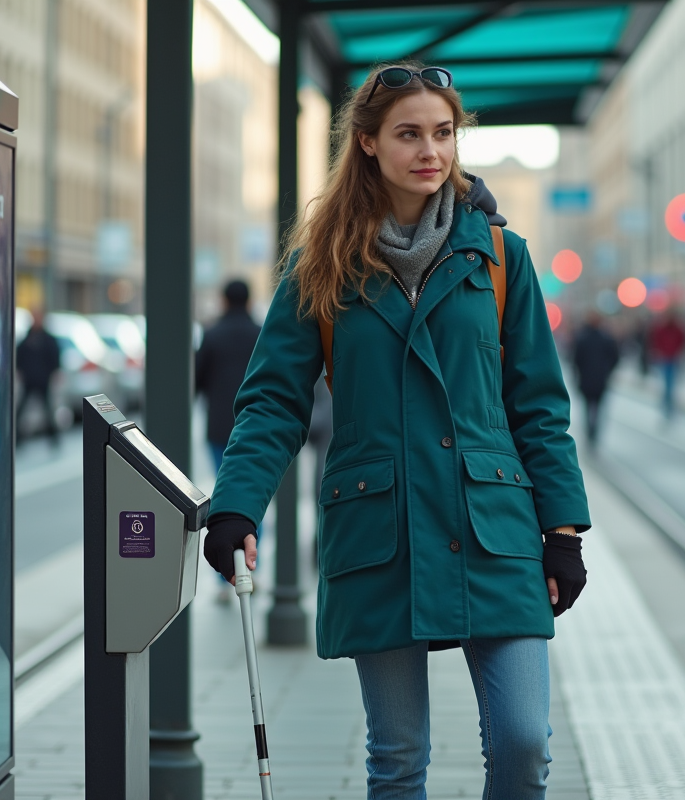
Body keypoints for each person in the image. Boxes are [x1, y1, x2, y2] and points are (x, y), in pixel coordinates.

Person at [201, 63, 589, 798]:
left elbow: (539, 402)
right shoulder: (319, 265)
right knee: (399, 756)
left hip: (495, 526)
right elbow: (274, 400)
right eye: (409, 133)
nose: (430, 151)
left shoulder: (502, 256)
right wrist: (237, 504)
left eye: (443, 133)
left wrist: (563, 533)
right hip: (379, 529)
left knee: (523, 741)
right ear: (370, 144)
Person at [195, 279, 263, 600]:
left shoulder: (212, 334)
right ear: (249, 301)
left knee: (226, 494)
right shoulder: (260, 333)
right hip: (256, 428)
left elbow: (198, 380)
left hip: (220, 426)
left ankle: (227, 579)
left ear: (224, 300)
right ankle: (250, 568)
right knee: (251, 498)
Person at [15, 308, 61, 446]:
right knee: (21, 410)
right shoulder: (28, 337)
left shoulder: (47, 338)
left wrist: (55, 372)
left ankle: (53, 437)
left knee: (47, 409)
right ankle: (17, 438)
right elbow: (20, 356)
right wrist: (20, 372)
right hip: (29, 379)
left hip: (43, 379)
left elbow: (55, 357)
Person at [573, 312, 619, 444]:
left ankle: (590, 431)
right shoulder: (607, 339)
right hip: (600, 380)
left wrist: (579, 374)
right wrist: (607, 370)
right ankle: (594, 431)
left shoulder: (582, 338)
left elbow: (576, 360)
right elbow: (615, 358)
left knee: (587, 408)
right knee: (597, 408)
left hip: (586, 380)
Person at [649, 311, 685, 419]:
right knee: (667, 383)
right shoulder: (661, 329)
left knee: (671, 384)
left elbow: (684, 340)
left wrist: (678, 352)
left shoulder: (678, 329)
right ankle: (666, 403)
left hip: (673, 359)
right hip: (664, 359)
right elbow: (656, 340)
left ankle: (668, 403)